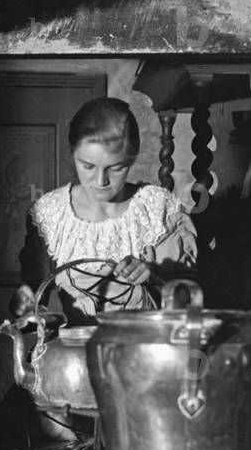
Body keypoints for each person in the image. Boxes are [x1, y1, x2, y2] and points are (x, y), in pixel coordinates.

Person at [14, 96, 197, 322]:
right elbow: (33, 299)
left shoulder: (158, 209)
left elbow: (190, 305)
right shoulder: (50, 215)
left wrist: (153, 277)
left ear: (132, 158)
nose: (101, 181)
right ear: (72, 153)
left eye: (116, 168)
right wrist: (24, 303)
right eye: (88, 166)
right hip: (77, 351)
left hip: (149, 349)